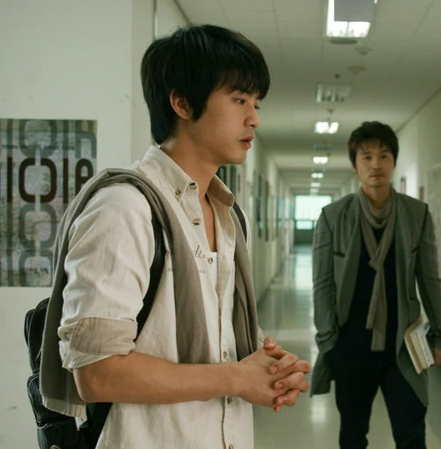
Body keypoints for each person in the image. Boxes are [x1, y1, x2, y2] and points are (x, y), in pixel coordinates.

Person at [43, 25, 311, 448]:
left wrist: (267, 366)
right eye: (239, 100)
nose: (254, 119)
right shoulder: (125, 209)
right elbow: (96, 373)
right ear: (182, 103)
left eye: (256, 103)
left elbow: (216, 337)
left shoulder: (228, 215)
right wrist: (235, 378)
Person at [310, 121, 441, 449]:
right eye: (367, 156)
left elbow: (430, 280)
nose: (376, 164)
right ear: (355, 165)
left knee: (411, 433)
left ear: (393, 161)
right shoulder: (333, 216)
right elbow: (322, 285)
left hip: (404, 345)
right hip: (350, 345)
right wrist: (329, 341)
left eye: (384, 155)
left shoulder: (417, 214)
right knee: (352, 436)